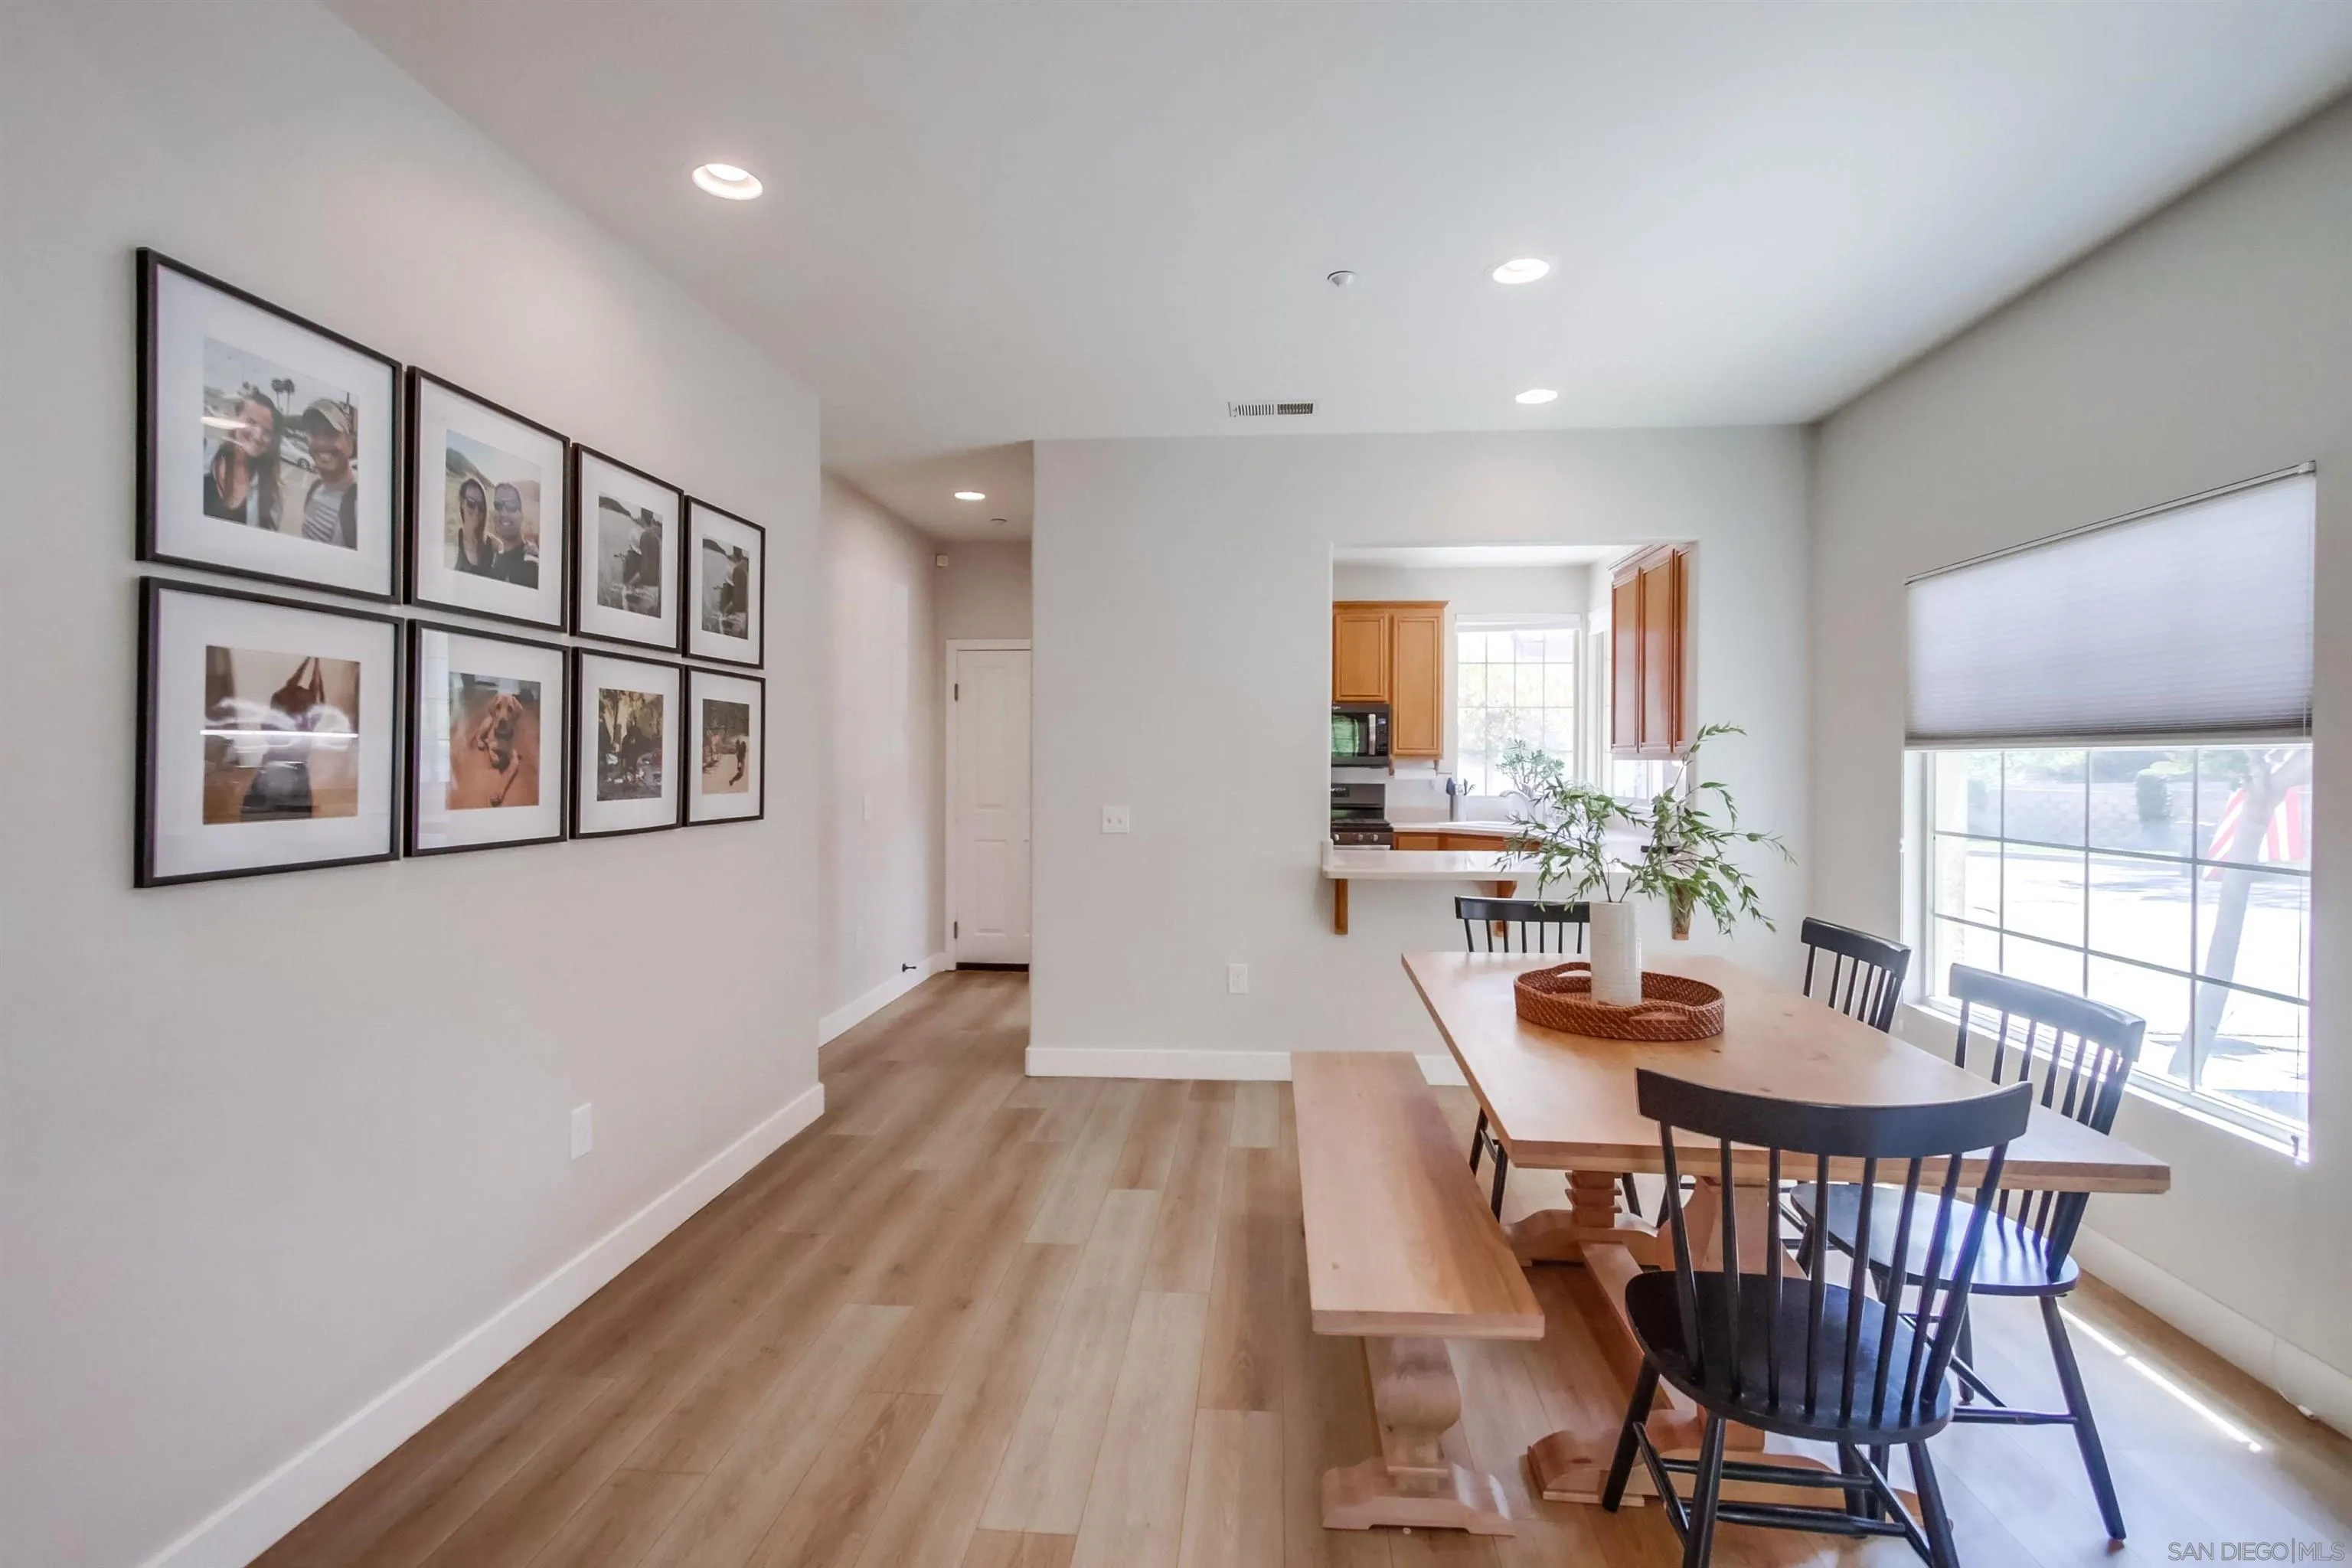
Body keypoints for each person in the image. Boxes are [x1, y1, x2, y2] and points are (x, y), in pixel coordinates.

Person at [202, 388, 281, 528]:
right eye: (251, 422)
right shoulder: (203, 453)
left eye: (267, 432)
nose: (258, 436)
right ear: (236, 418)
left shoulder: (272, 495)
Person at [292, 399, 359, 550]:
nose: (321, 443)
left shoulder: (360, 503)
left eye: (331, 433)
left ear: (350, 444)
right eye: (315, 433)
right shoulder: (315, 488)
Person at [487, 482, 536, 585]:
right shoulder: (488, 556)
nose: (504, 513)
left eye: (511, 506)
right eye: (498, 505)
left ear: (522, 513)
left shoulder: (531, 564)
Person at [450, 477, 495, 575]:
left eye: (481, 506)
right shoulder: (453, 543)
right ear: (462, 503)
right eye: (471, 504)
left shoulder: (492, 545)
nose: (476, 511)